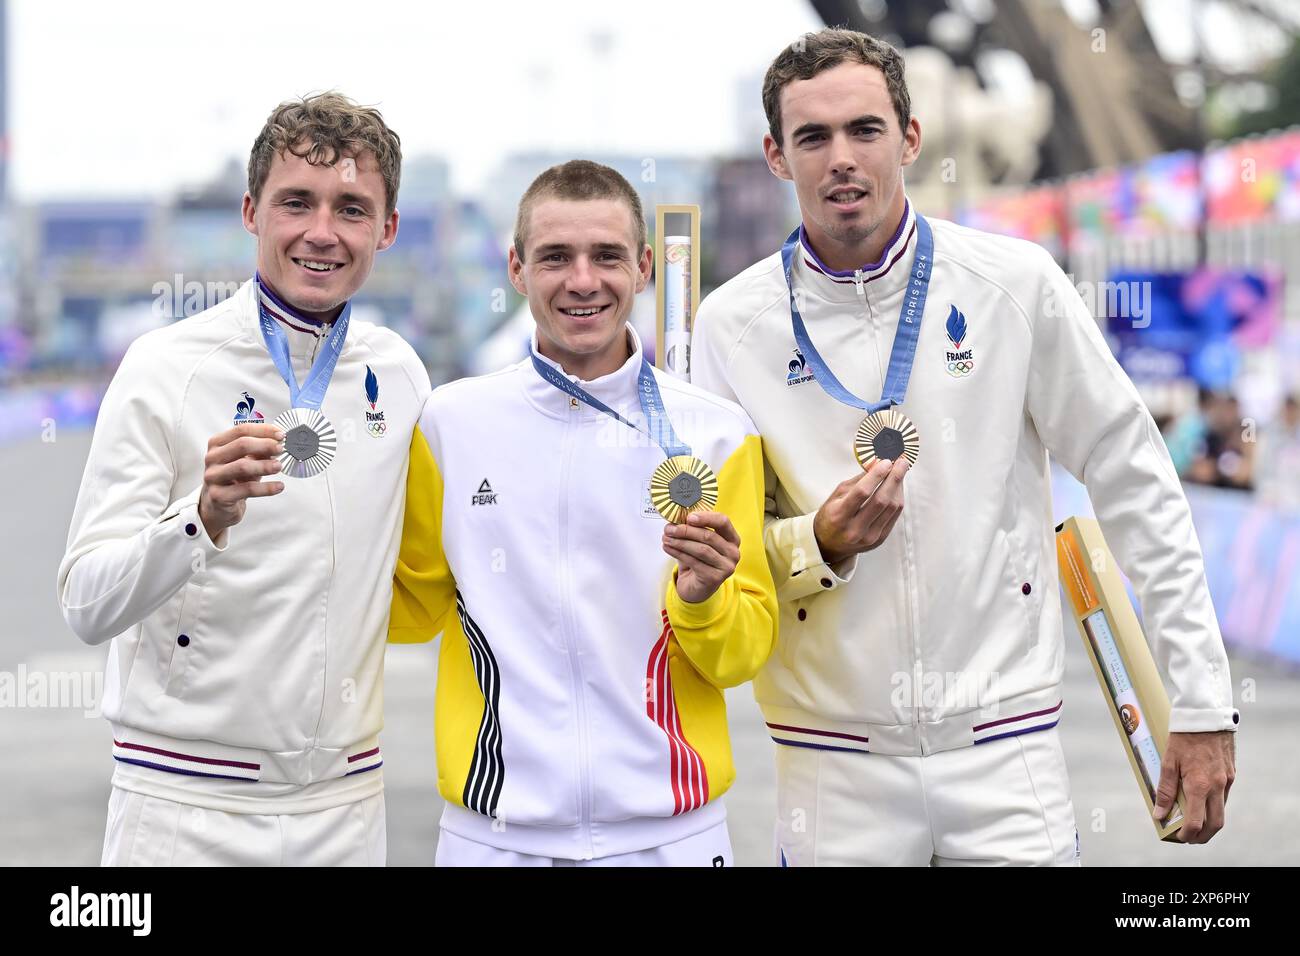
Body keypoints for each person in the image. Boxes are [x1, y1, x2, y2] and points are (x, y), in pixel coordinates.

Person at [690, 28, 1238, 866]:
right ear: (775, 153)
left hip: (1006, 755)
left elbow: (1134, 477)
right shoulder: (731, 325)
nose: (842, 157)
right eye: (813, 137)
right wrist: (818, 546)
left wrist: (1200, 702)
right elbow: (721, 554)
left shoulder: (1013, 285)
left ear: (910, 138)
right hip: (833, 769)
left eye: (865, 130)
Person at [57, 92, 430, 866]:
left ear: (387, 229)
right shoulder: (164, 368)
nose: (322, 233)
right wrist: (198, 518)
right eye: (297, 202)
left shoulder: (400, 376)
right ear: (252, 211)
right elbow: (87, 603)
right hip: (183, 807)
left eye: (352, 209)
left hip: (345, 806)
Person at [389, 160, 778, 866]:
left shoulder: (718, 433)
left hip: (673, 835)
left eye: (606, 256)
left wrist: (702, 600)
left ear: (645, 266)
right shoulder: (449, 425)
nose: (582, 281)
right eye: (555, 258)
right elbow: (409, 610)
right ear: (516, 267)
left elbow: (743, 655)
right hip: (494, 837)